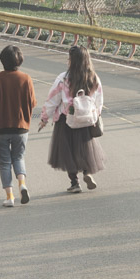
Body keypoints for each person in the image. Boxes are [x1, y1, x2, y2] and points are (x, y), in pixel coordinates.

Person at [37, 45, 105, 193]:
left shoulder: (63, 78)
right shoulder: (94, 78)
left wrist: (44, 118)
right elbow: (99, 101)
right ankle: (87, 172)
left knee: (67, 152)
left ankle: (75, 183)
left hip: (66, 119)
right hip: (86, 119)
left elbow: (52, 100)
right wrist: (95, 115)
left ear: (72, 61)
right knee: (85, 149)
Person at [0, 44, 37, 207]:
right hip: (21, 127)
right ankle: (22, 184)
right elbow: (33, 102)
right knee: (19, 157)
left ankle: (10, 197)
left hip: (0, 128)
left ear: (2, 61)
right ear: (19, 60)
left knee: (5, 162)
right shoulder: (26, 78)